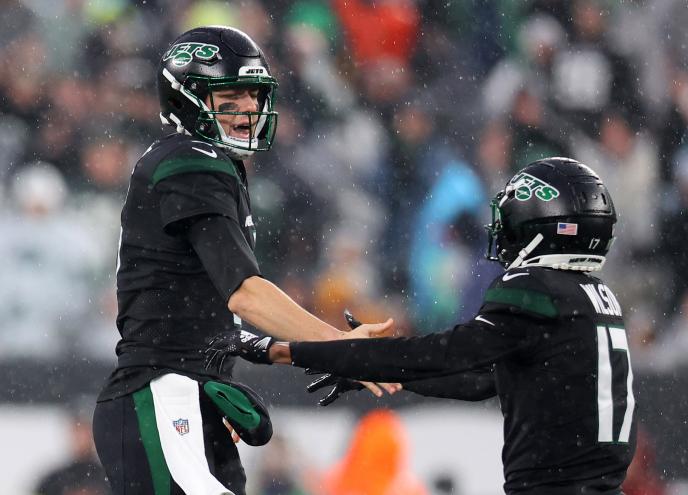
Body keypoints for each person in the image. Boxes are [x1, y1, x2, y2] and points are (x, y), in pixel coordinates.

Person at [210, 157, 638, 495]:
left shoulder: (536, 287)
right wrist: (374, 373)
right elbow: (480, 380)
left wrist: (284, 349)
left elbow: (446, 353)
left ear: (541, 225)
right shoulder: (595, 296)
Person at [92, 26, 394, 495]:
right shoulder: (190, 159)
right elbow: (245, 292)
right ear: (186, 99)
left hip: (190, 401)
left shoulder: (210, 163)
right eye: (230, 96)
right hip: (163, 397)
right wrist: (340, 346)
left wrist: (287, 350)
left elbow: (208, 318)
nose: (249, 108)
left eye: (253, 96)